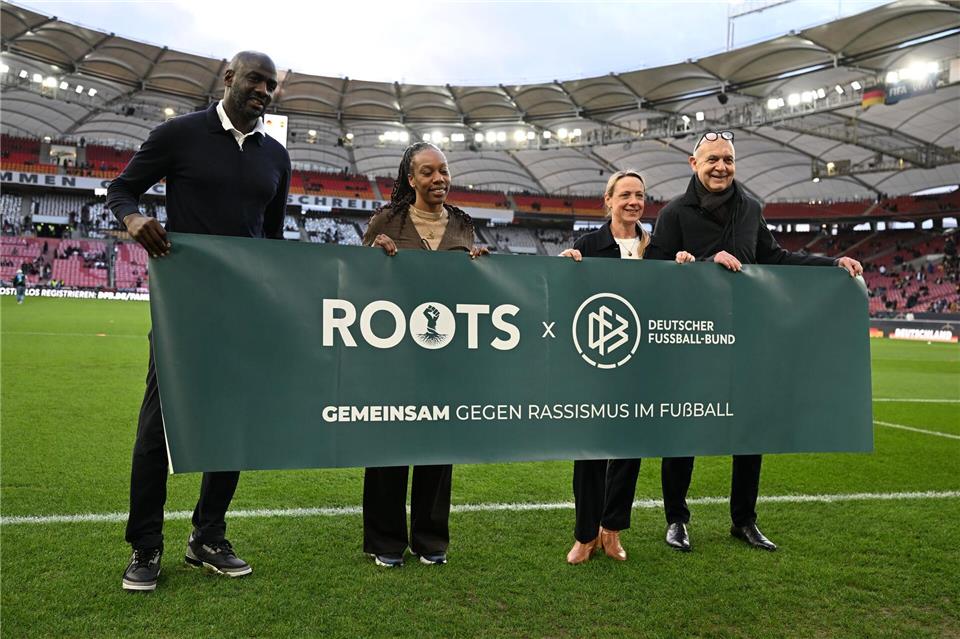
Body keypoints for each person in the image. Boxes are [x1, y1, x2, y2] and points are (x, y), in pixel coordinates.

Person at [106, 50, 290, 591]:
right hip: (184, 307)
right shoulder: (179, 135)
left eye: (272, 84)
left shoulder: (276, 157)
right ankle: (145, 545)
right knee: (156, 428)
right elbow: (121, 190)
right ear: (229, 77)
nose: (264, 90)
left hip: (243, 311)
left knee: (230, 425)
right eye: (256, 79)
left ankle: (208, 536)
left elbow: (272, 243)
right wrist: (135, 218)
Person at [645, 130, 863, 553]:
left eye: (727, 159)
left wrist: (831, 264)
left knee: (750, 431)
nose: (721, 167)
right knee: (683, 432)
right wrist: (706, 264)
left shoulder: (750, 209)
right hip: (690, 340)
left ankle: (743, 520)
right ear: (694, 164)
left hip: (744, 337)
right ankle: (676, 519)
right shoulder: (673, 213)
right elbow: (656, 270)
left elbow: (776, 258)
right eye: (712, 160)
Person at [362, 142, 486, 568]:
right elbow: (358, 284)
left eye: (444, 171)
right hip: (393, 357)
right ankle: (385, 541)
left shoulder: (464, 227)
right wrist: (373, 256)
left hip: (444, 358)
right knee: (389, 447)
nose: (439, 180)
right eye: (428, 172)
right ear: (410, 179)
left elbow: (473, 294)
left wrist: (480, 268)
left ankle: (431, 540)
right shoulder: (387, 221)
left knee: (437, 446)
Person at [559, 170, 692, 564]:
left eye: (640, 195)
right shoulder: (588, 245)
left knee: (628, 455)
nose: (633, 201)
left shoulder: (660, 250)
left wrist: (685, 266)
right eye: (625, 195)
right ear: (609, 200)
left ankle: (611, 531)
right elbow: (569, 300)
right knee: (589, 455)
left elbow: (673, 299)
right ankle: (584, 535)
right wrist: (567, 266)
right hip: (598, 364)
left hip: (642, 369)